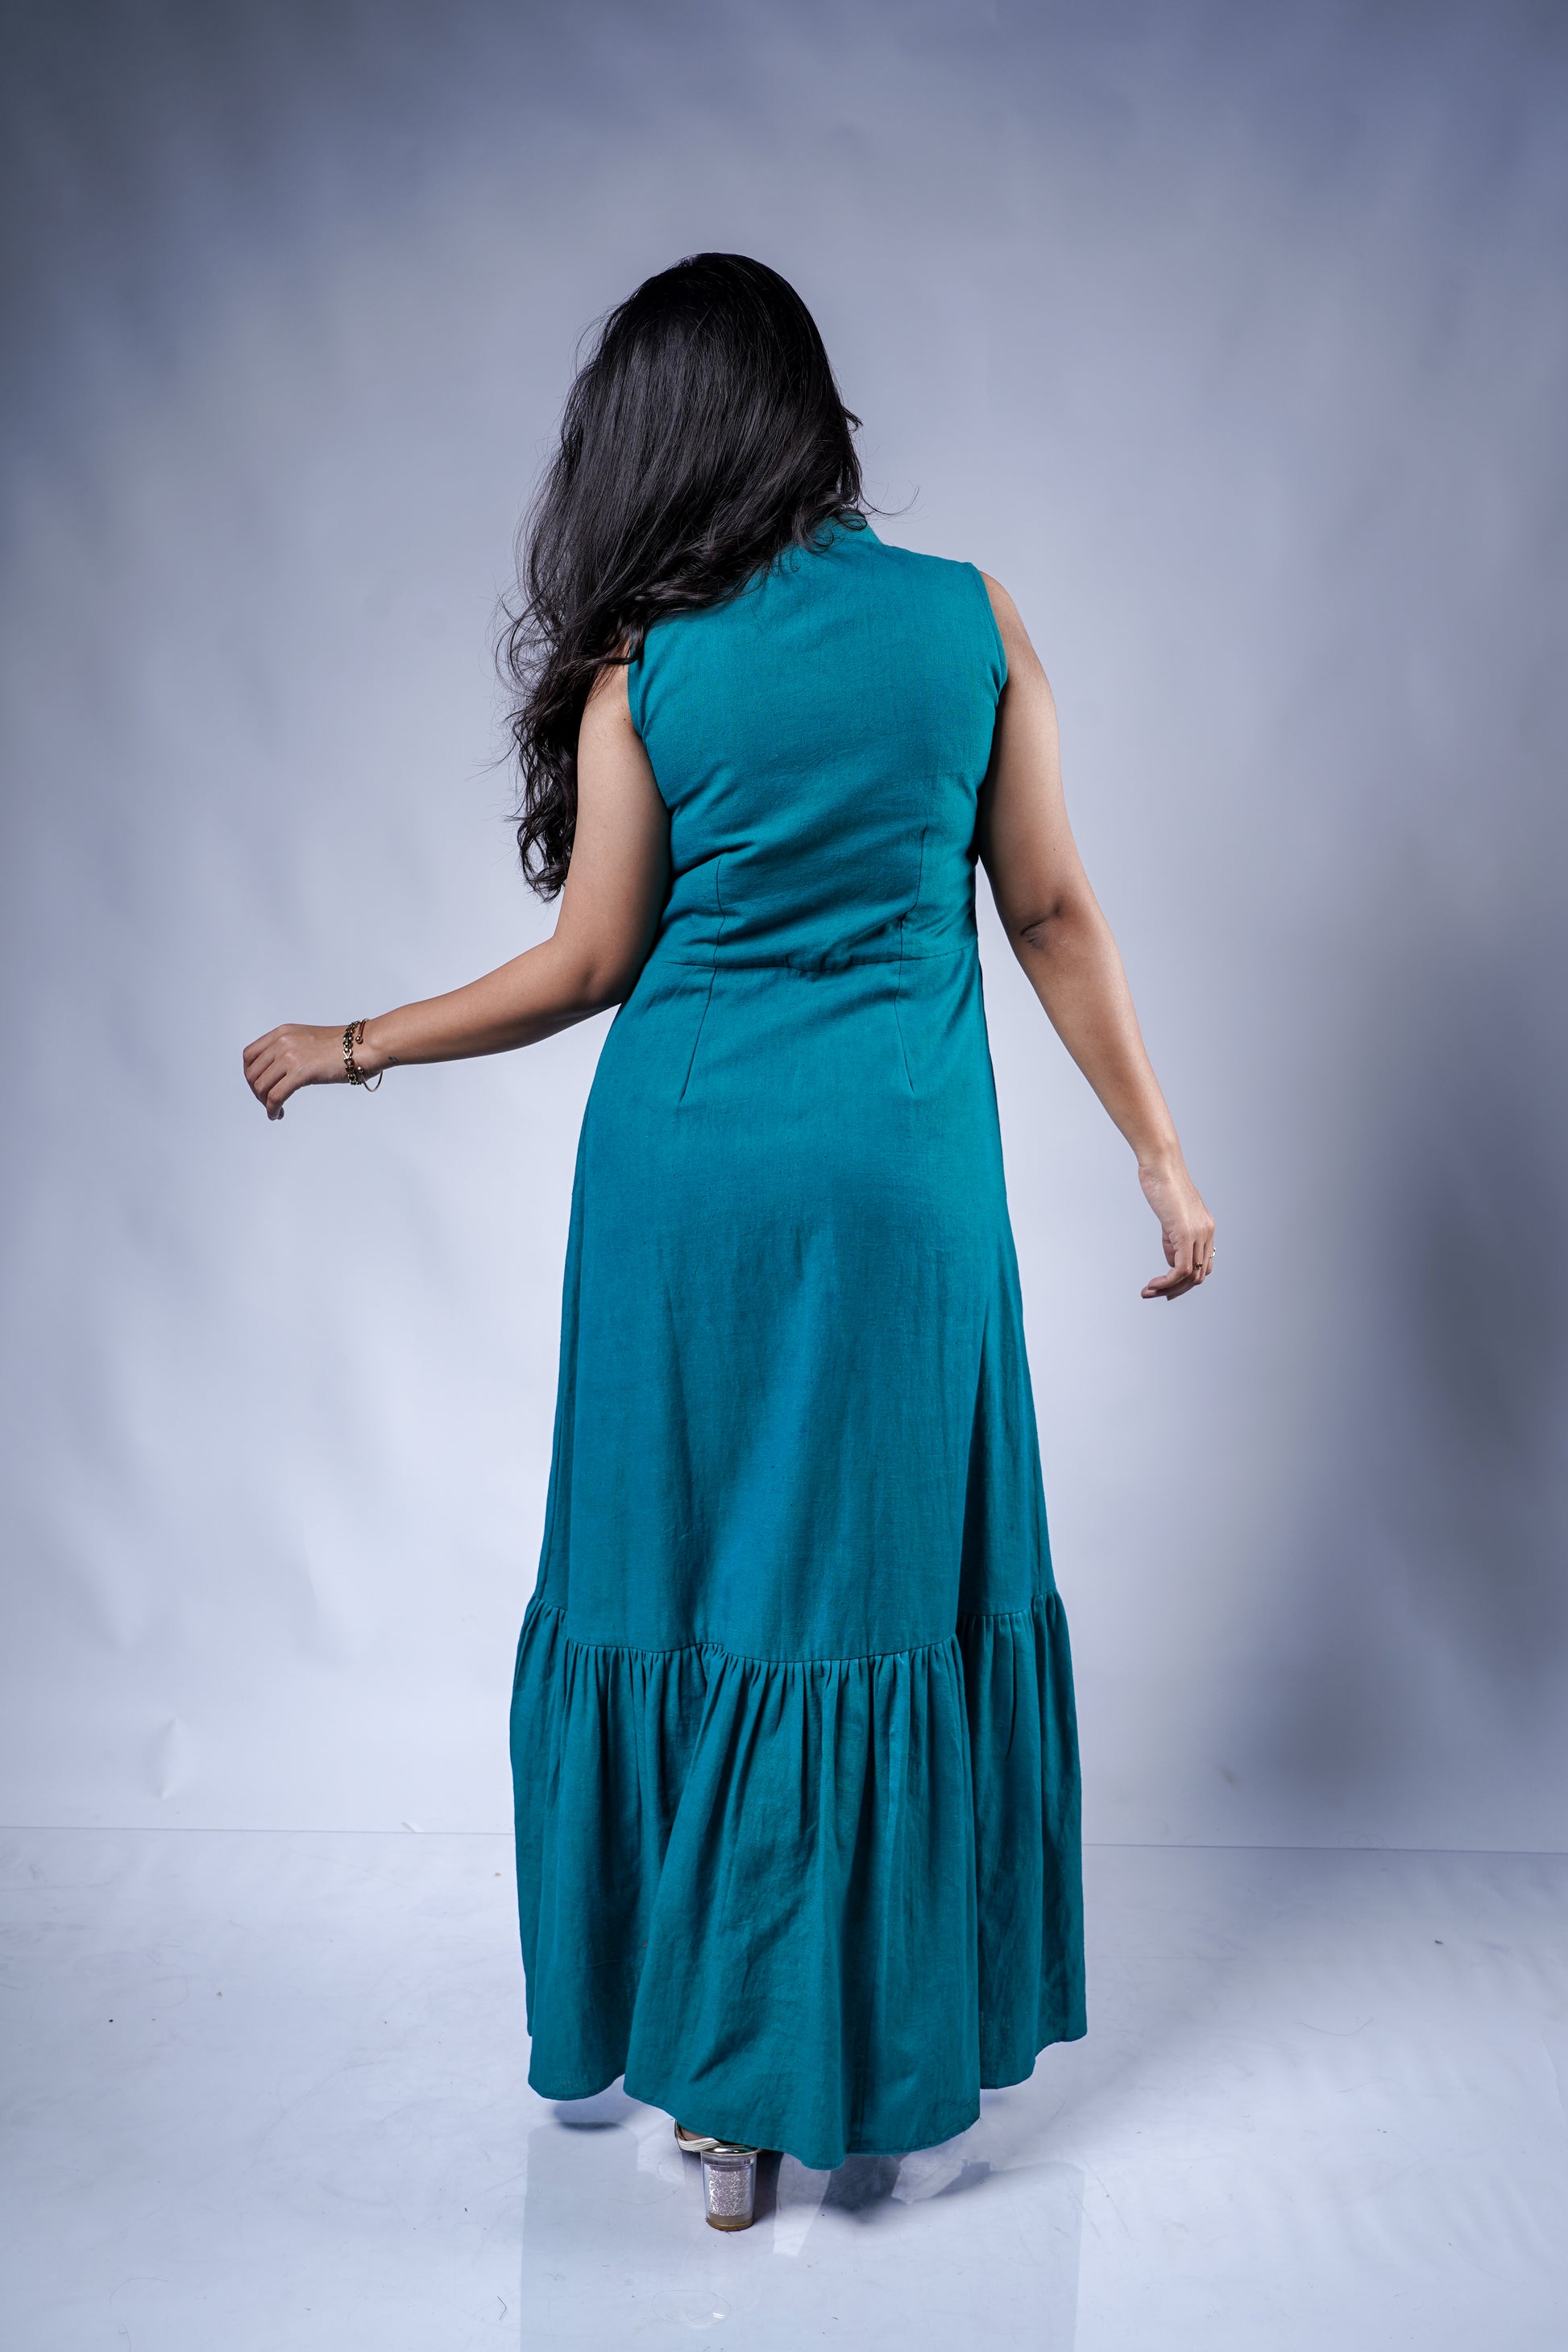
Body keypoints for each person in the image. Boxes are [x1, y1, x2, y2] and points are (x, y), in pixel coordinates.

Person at [242, 251, 1214, 2233]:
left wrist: (353, 1042)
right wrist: (1161, 1159)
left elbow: (590, 962)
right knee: (862, 1603)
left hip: (679, 1194)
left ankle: (717, 2100)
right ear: (807, 413)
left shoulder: (648, 667)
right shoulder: (969, 618)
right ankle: (847, 2067)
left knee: (684, 1592)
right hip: (896, 1191)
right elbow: (1047, 912)